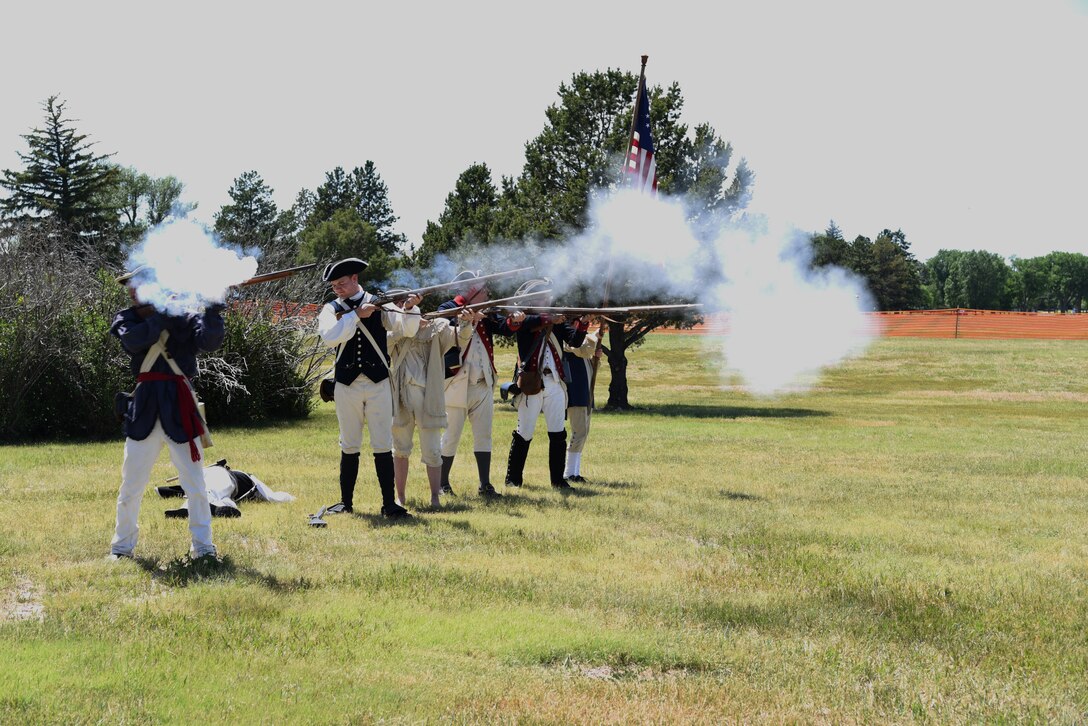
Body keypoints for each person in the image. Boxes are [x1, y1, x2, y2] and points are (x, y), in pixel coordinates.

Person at [108, 266, 223, 562]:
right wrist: (163, 311)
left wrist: (212, 306)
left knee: (196, 486)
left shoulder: (184, 316)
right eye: (132, 286)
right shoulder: (128, 317)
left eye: (141, 285)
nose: (133, 291)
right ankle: (121, 547)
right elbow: (134, 341)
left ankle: (203, 547)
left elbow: (210, 341)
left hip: (179, 405)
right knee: (131, 486)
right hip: (144, 409)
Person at [317, 257, 421, 519]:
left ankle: (389, 503)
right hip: (347, 384)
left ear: (355, 279)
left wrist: (409, 308)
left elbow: (406, 329)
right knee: (349, 443)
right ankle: (346, 502)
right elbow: (330, 338)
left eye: (341, 283)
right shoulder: (331, 309)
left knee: (382, 443)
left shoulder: (379, 302)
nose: (337, 289)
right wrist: (355, 315)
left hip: (378, 383)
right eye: (334, 286)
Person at [436, 271, 525, 498]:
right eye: (483, 289)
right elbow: (440, 329)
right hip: (455, 382)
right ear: (469, 290)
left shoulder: (486, 310)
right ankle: (441, 483)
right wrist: (466, 319)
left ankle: (485, 484)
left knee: (483, 434)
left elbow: (504, 328)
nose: (487, 293)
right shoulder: (447, 308)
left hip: (482, 380)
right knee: (451, 436)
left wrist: (514, 320)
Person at [504, 279, 589, 490]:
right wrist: (550, 318)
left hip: (555, 382)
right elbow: (532, 323)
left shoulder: (555, 321)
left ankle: (558, 480)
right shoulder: (524, 320)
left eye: (546, 296)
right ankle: (513, 479)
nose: (547, 299)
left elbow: (575, 341)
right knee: (524, 431)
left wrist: (584, 323)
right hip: (532, 383)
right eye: (542, 297)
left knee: (558, 432)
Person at [389, 314, 469, 508]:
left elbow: (462, 338)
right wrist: (406, 325)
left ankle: (435, 497)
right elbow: (386, 344)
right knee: (400, 449)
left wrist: (466, 322)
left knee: (433, 450)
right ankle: (400, 496)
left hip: (429, 398)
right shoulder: (395, 327)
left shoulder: (437, 326)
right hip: (401, 396)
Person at [562, 329, 600, 483]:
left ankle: (575, 472)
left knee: (583, 433)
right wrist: (595, 336)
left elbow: (588, 361)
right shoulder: (569, 342)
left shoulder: (582, 345)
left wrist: (596, 358)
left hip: (585, 394)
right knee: (579, 432)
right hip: (576, 393)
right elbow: (581, 349)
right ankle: (569, 473)